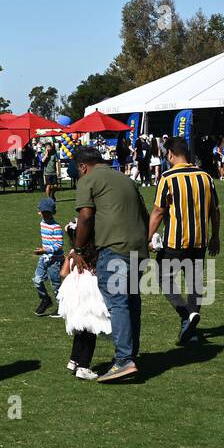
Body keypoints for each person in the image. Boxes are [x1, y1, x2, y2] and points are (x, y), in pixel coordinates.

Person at [68, 146, 148, 383]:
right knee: (132, 301)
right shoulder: (125, 178)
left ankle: (124, 360)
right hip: (139, 249)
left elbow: (85, 215)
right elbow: (143, 214)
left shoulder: (88, 180)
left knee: (118, 303)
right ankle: (130, 355)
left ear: (82, 166)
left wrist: (80, 249)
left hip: (114, 248)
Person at [147, 136, 220, 346]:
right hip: (200, 240)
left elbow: (159, 211)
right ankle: (191, 325)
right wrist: (215, 236)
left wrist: (147, 238)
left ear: (170, 153)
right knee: (195, 282)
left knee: (163, 277)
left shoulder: (168, 177)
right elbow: (215, 211)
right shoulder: (206, 177)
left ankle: (186, 314)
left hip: (175, 241)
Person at [57, 217, 110, 381]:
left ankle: (74, 360)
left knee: (80, 328)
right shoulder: (96, 253)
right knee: (91, 329)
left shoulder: (73, 253)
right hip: (90, 290)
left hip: (74, 291)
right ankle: (84, 366)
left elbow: (63, 273)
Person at [32, 197, 64, 316]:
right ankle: (45, 299)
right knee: (37, 280)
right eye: (43, 212)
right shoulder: (42, 223)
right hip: (44, 258)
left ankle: (61, 307)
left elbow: (59, 245)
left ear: (52, 213)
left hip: (55, 260)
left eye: (48, 213)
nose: (45, 215)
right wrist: (44, 252)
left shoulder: (56, 227)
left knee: (56, 284)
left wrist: (45, 250)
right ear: (39, 212)